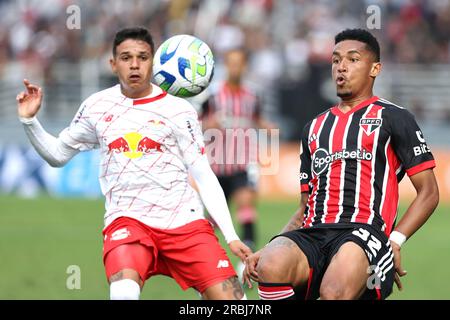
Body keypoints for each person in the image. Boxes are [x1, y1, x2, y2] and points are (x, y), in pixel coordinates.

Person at [16, 27, 252, 300]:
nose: (135, 64)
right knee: (123, 294)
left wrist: (231, 235)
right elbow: (57, 154)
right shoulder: (96, 106)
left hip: (185, 224)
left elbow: (204, 176)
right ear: (113, 64)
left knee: (236, 302)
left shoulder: (180, 110)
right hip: (128, 225)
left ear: (154, 63)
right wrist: (29, 121)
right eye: (126, 58)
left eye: (143, 57)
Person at [243, 28, 439, 300]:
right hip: (313, 233)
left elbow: (429, 192)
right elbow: (304, 206)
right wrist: (270, 246)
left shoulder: (394, 118)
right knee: (271, 266)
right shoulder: (314, 127)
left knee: (333, 291)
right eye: (336, 60)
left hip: (364, 233)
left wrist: (395, 240)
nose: (341, 67)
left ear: (375, 68)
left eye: (352, 59)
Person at [201, 47, 274, 260]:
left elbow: (256, 118)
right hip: (216, 165)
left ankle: (248, 254)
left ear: (245, 66)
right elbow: (195, 123)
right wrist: (209, 123)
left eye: (238, 63)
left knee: (246, 203)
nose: (235, 67)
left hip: (242, 162)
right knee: (213, 217)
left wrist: (267, 127)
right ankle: (207, 255)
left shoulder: (253, 95)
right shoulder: (213, 96)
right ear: (226, 65)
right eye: (231, 63)